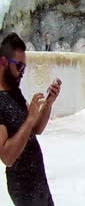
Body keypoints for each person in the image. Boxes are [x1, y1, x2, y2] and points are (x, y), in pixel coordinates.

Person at [0, 32, 62, 205]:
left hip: (39, 183)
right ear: (4, 62)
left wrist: (48, 103)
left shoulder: (15, 93)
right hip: (24, 190)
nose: (22, 73)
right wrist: (30, 118)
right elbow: (7, 157)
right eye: (19, 66)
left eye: (24, 68)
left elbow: (36, 129)